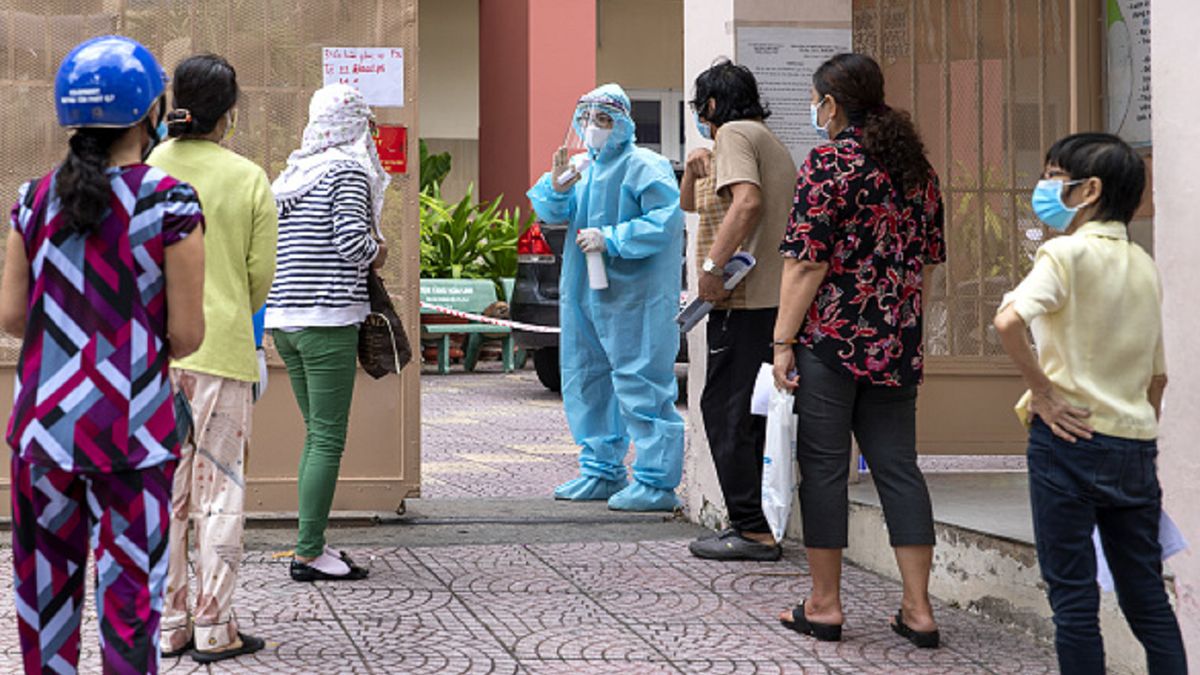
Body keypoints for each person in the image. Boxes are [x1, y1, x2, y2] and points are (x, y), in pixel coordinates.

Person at [0, 35, 206, 673]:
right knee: (128, 608)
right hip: (131, 435)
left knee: (43, 604)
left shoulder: (33, 201)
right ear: (151, 112)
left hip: (44, 434)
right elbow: (189, 334)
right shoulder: (170, 202)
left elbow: (10, 317)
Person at [993, 133, 1187, 674]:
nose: (1046, 187)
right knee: (1147, 596)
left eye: (1055, 175)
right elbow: (1158, 377)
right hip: (1134, 446)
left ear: (1090, 190)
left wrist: (1046, 394)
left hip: (1068, 442)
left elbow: (1008, 321)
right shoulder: (1144, 265)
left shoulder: (1063, 252)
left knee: (1073, 600)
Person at [771, 53, 945, 648]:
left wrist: (782, 342)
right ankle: (919, 611)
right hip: (896, 341)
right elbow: (926, 265)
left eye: (817, 99)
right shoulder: (917, 169)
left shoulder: (827, 163)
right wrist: (905, 326)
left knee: (823, 468)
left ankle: (824, 605)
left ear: (832, 102)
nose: (814, 108)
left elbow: (806, 263)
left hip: (831, 342)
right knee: (899, 468)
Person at [147, 53, 276, 662]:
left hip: (153, 356)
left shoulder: (145, 168)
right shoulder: (248, 177)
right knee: (219, 488)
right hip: (221, 349)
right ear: (227, 114)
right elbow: (258, 278)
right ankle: (214, 626)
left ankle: (168, 624)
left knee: (165, 492)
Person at [527, 84, 686, 512]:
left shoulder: (645, 167)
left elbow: (666, 223)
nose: (592, 128)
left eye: (603, 119)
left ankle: (656, 481)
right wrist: (557, 190)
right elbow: (551, 212)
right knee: (586, 376)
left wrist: (613, 238)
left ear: (624, 124)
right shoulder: (580, 167)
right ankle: (599, 470)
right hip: (584, 295)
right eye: (587, 118)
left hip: (636, 296)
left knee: (641, 380)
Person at [266, 83, 388, 581]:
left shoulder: (291, 174)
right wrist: (380, 251)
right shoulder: (348, 171)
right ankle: (309, 551)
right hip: (327, 320)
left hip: (285, 323)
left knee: (315, 435)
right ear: (356, 124)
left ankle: (311, 539)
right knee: (326, 439)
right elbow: (351, 242)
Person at [683, 60, 797, 561]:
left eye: (701, 109)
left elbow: (746, 203)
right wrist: (690, 170)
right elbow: (698, 207)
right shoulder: (762, 138)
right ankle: (755, 522)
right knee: (746, 412)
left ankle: (751, 530)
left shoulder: (733, 133)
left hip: (745, 297)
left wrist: (712, 267)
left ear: (710, 105)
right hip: (768, 299)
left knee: (724, 410)